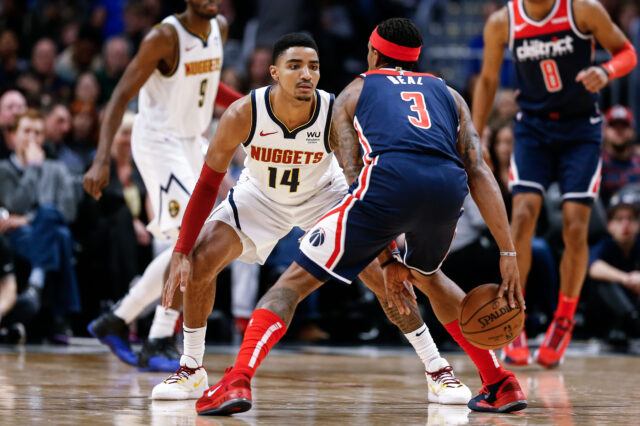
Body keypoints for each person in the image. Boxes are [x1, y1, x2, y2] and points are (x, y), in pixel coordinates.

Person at [164, 19, 528, 415]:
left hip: (327, 194)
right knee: (200, 260)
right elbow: (478, 168)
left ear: (371, 55)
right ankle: (191, 367)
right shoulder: (447, 92)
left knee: (344, 281)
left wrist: (385, 257)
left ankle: (436, 368)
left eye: (314, 66)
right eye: (295, 65)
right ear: (273, 72)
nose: (306, 74)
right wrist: (506, 253)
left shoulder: (342, 101)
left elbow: (359, 182)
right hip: (264, 197)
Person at [472, 0, 638, 368]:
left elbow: (627, 52)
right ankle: (514, 316)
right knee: (523, 215)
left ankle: (563, 318)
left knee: (575, 226)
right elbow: (487, 79)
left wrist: (607, 70)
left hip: (580, 130)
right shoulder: (504, 21)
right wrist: (476, 132)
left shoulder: (582, 10)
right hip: (532, 127)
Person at [83, 0, 242, 371]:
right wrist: (102, 157)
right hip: (158, 141)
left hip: (190, 139)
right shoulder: (164, 37)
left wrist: (248, 105)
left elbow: (206, 85)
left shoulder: (219, 28)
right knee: (196, 238)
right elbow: (121, 94)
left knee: (198, 239)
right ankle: (156, 337)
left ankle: (119, 320)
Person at [0, 109, 81, 343]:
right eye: (26, 131)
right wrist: (33, 168)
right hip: (16, 239)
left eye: (38, 133)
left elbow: (68, 212)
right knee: (60, 236)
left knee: (53, 220)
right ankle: (60, 315)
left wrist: (27, 218)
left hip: (32, 230)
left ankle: (37, 284)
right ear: (14, 136)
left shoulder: (56, 170)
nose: (32, 138)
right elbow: (13, 204)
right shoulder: (3, 170)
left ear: (44, 138)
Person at [587, 190, 640, 351]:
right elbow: (593, 268)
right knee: (603, 282)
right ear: (609, 225)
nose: (625, 225)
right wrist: (625, 278)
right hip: (605, 316)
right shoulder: (605, 245)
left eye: (630, 219)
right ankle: (632, 320)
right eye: (619, 219)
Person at [600, 105, 640, 206]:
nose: (619, 131)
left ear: (632, 131)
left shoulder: (638, 161)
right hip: (605, 218)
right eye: (613, 126)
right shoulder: (596, 163)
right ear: (604, 130)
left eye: (624, 126)